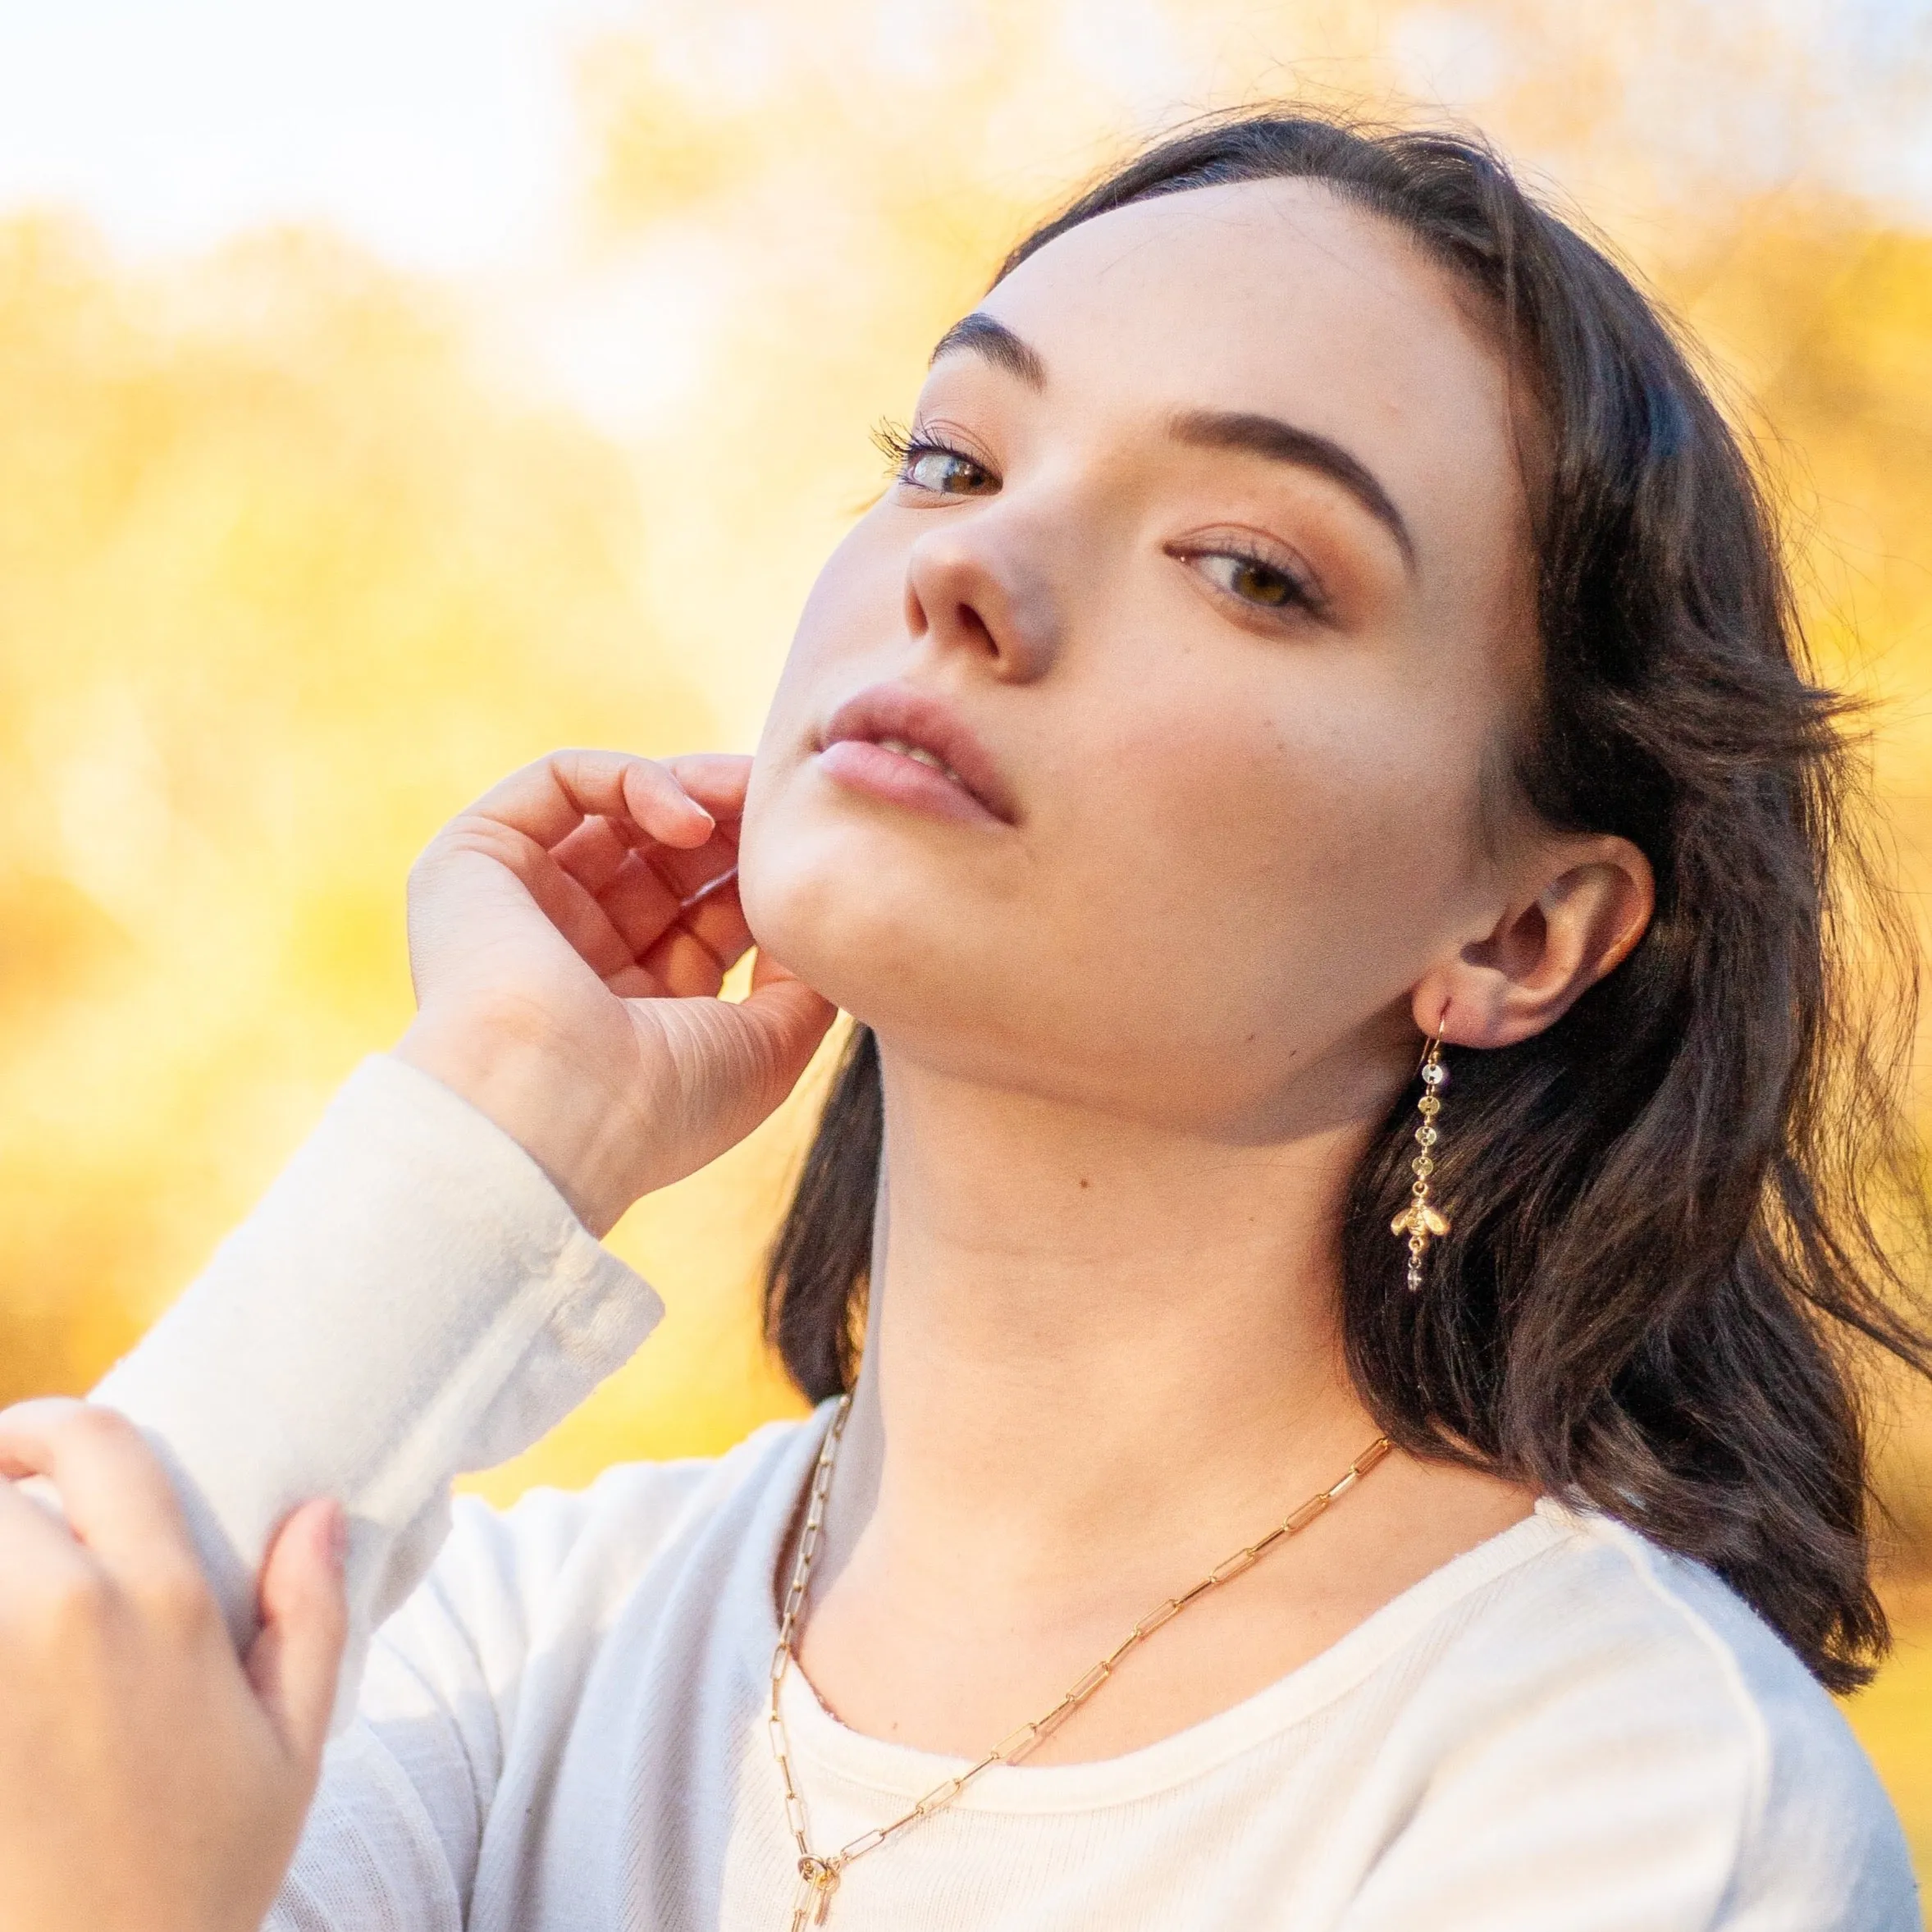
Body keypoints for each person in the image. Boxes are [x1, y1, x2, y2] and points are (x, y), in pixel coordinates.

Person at [0, 109, 1925, 1932]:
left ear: (1520, 928)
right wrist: (489, 1118)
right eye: (951, 459)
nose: (970, 574)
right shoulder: (507, 1649)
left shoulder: (1633, 1800)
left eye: (1249, 569)